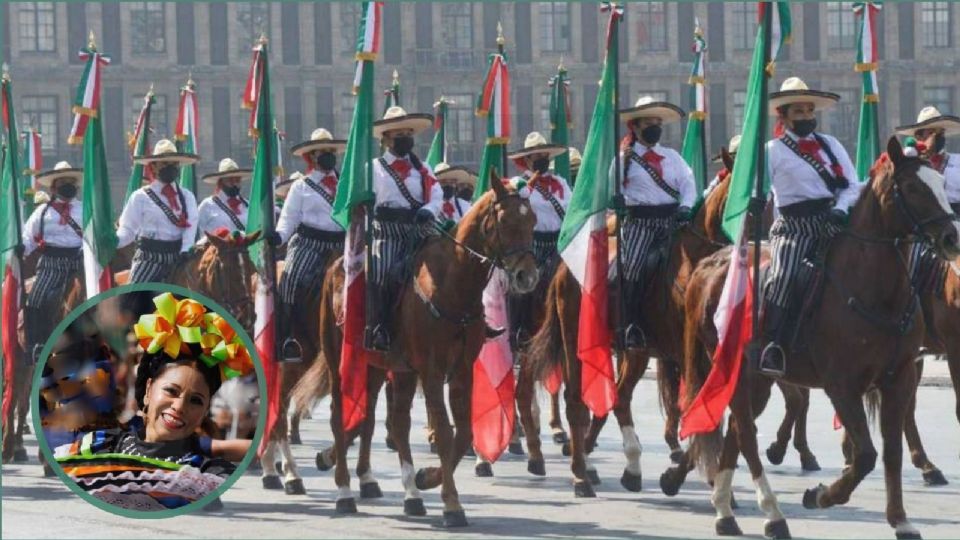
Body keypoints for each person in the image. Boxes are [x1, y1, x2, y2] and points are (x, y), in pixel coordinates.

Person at [53, 292, 255, 511]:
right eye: (170, 391)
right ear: (149, 390)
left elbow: (238, 448)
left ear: (205, 410)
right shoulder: (99, 444)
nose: (179, 407)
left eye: (195, 401)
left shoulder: (198, 465)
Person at [759, 77, 861, 376]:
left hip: (833, 221)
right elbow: (760, 189)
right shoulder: (771, 150)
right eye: (799, 112)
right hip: (794, 227)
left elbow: (853, 185)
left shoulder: (831, 145)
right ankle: (774, 345)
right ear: (784, 116)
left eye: (809, 111)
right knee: (785, 276)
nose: (806, 117)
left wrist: (840, 211)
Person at [615, 96, 696, 350]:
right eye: (649, 123)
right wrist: (616, 200)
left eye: (657, 122)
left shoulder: (672, 157)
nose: (655, 127)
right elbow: (610, 190)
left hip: (672, 222)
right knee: (633, 268)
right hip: (640, 225)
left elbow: (688, 184)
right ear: (636, 127)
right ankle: (631, 324)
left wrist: (686, 207)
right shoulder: (622, 160)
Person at [363, 106, 443, 352]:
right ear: (386, 139)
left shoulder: (424, 169)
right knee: (381, 272)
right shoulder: (373, 169)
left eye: (408, 133)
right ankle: (381, 327)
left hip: (419, 230)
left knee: (450, 264)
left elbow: (437, 195)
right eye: (399, 135)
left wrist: (429, 210)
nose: (405, 139)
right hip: (387, 232)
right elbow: (367, 204)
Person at [267, 128, 347, 361]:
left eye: (331, 151)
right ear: (312, 157)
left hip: (341, 245)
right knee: (290, 281)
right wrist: (279, 237)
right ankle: (287, 338)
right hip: (309, 244)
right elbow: (288, 218)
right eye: (323, 152)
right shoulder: (301, 186)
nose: (329, 155)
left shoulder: (345, 184)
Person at [506, 131, 571, 349]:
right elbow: (513, 196)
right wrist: (524, 188)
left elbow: (570, 210)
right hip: (532, 246)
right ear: (527, 160)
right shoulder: (519, 183)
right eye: (537, 156)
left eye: (545, 155)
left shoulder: (561, 182)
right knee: (521, 285)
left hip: (559, 244)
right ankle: (520, 331)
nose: (542, 159)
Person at [21, 161, 84, 362]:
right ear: (54, 186)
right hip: (50, 263)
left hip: (77, 262)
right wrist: (19, 249)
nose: (69, 185)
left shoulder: (84, 210)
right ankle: (36, 345)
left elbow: (92, 237)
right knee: (35, 299)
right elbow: (28, 239)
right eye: (64, 182)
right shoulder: (41, 213)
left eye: (71, 182)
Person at [116, 139, 200, 284]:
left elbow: (190, 227)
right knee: (133, 300)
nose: (171, 168)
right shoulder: (140, 196)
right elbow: (127, 231)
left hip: (177, 259)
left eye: (174, 164)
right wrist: (110, 242)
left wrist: (186, 250)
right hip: (149, 258)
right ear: (153, 167)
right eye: (165, 164)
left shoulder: (187, 196)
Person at [896, 106, 960, 293]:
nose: (935, 137)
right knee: (909, 267)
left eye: (939, 132)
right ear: (918, 137)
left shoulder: (958, 161)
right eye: (930, 132)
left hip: (956, 221)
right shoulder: (910, 167)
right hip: (924, 229)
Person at [197, 158, 251, 236]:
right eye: (230, 180)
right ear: (221, 182)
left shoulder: (247, 205)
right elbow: (198, 231)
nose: (234, 184)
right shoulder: (207, 205)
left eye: (237, 180)